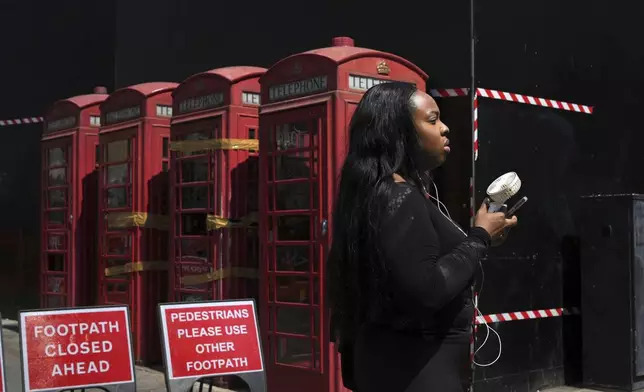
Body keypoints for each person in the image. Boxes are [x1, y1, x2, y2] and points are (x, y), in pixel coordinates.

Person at [327, 82, 518, 392]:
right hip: (418, 373)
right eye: (432, 120)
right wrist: (480, 236)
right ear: (398, 133)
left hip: (385, 365)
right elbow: (427, 289)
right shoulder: (399, 197)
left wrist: (484, 237)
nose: (445, 129)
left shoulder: (373, 194)